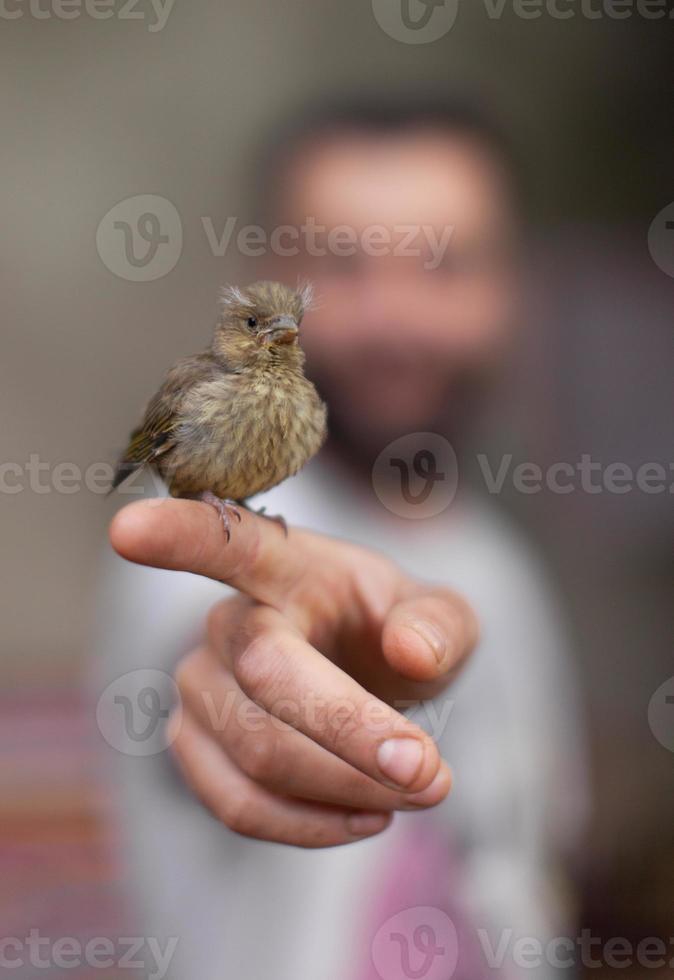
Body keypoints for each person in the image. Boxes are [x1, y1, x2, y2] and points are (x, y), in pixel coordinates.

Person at [96, 98, 586, 980]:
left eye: (444, 264)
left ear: (511, 289)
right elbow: (201, 652)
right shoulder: (213, 542)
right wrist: (244, 688)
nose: (396, 316)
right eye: (343, 263)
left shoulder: (504, 567)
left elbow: (533, 868)